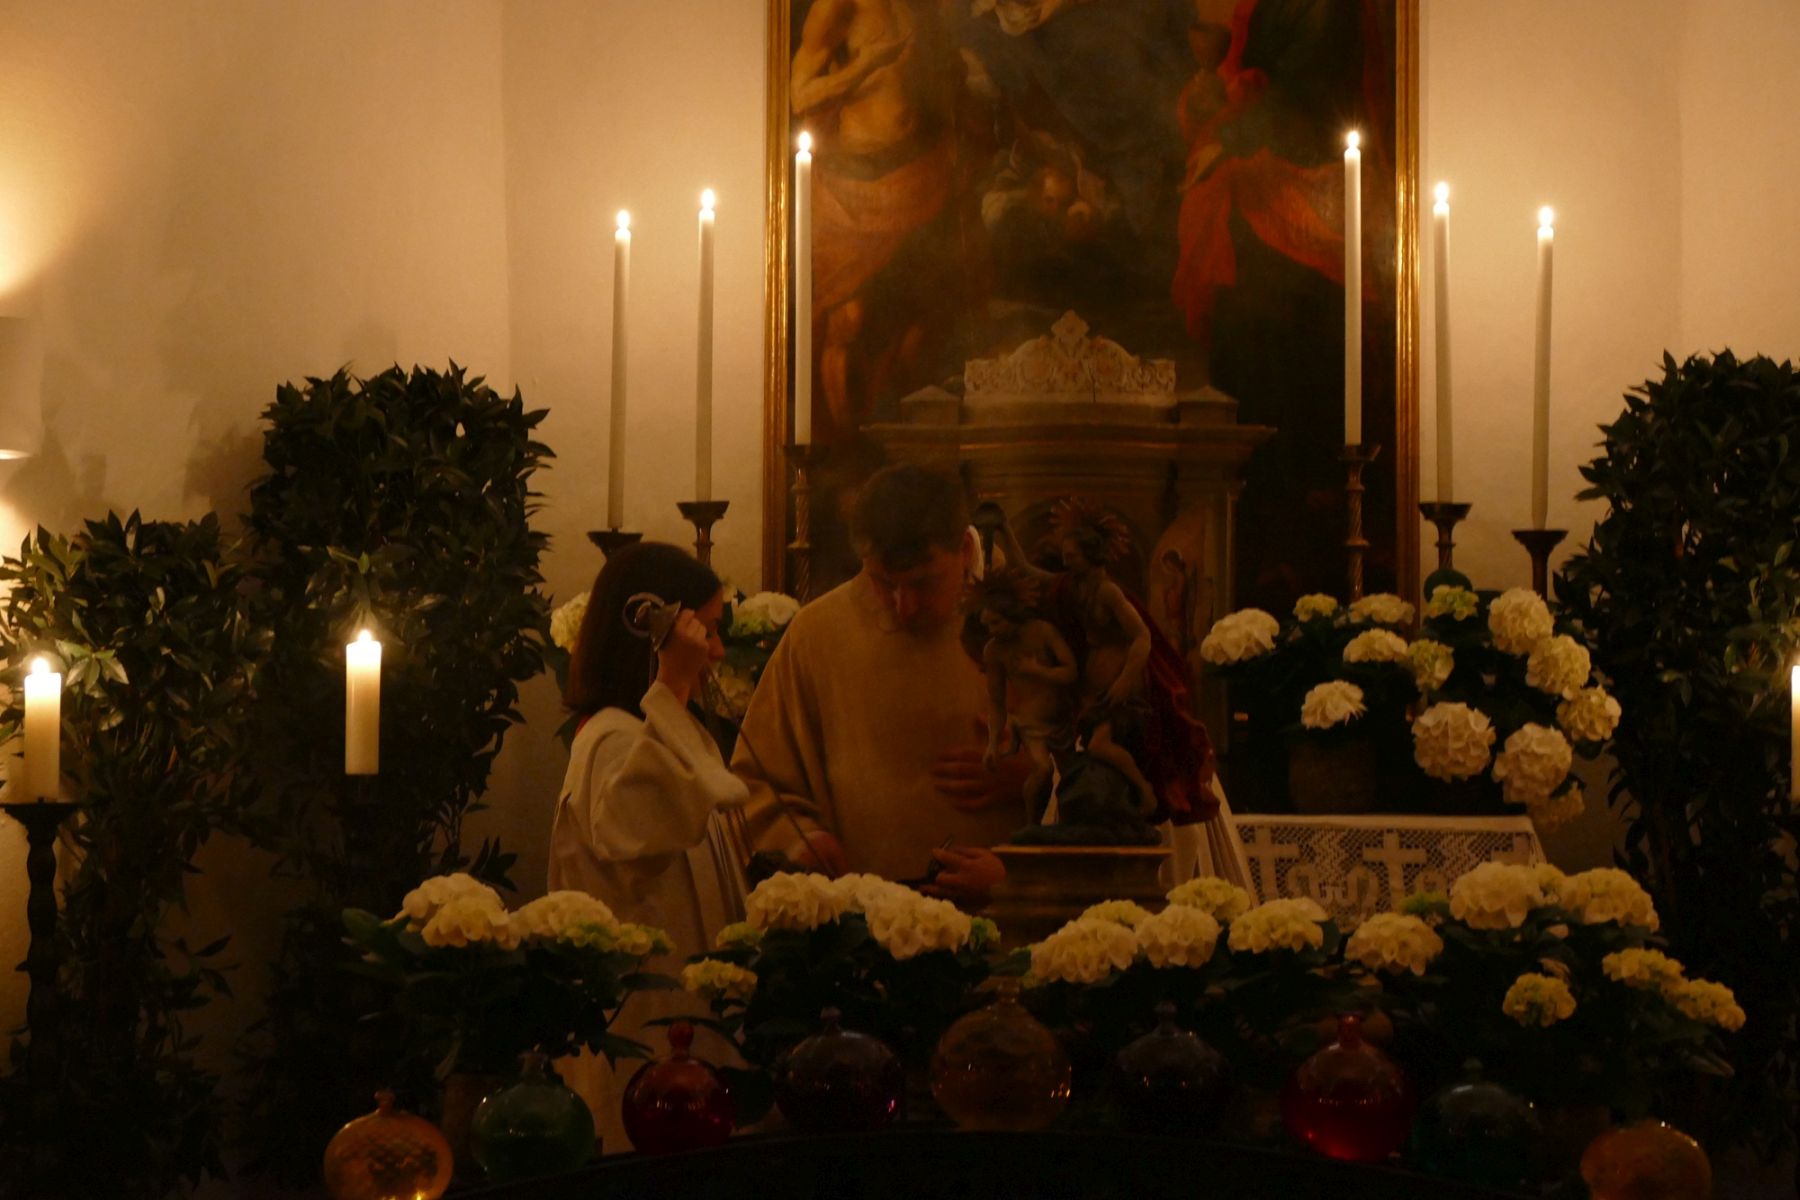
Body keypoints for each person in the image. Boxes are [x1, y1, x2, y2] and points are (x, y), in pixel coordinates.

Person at [733, 464, 1019, 900]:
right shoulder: (817, 634)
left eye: (923, 583)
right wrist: (799, 839)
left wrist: (1030, 776)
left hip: (1008, 913)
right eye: (884, 584)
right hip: (859, 920)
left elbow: (1092, 779)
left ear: (964, 549)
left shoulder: (1028, 621)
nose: (904, 606)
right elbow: (756, 779)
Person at [547, 542, 749, 1151]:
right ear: (653, 626)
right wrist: (674, 679)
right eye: (706, 630)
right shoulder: (614, 740)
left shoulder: (650, 733)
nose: (717, 651)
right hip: (648, 1028)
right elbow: (641, 832)